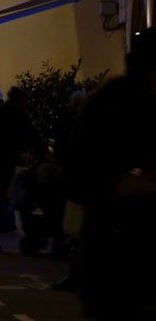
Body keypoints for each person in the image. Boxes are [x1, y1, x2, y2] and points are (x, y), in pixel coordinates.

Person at [68, 28, 156, 318]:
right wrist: (118, 187)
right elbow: (80, 175)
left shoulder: (106, 101)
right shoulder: (112, 105)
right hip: (116, 251)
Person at [0, 86, 41, 252]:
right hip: (8, 161)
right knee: (9, 197)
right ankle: (4, 227)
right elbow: (32, 134)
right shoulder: (18, 113)